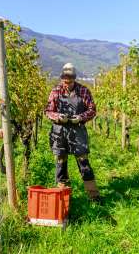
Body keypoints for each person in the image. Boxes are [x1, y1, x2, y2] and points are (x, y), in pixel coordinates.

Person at [45, 63, 100, 202]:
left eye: (69, 79)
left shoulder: (84, 91)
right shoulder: (55, 91)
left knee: (83, 162)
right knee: (60, 162)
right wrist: (58, 117)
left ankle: (93, 196)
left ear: (74, 78)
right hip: (59, 131)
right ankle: (63, 197)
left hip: (78, 130)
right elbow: (48, 111)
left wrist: (81, 117)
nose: (67, 82)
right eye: (65, 78)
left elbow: (92, 109)